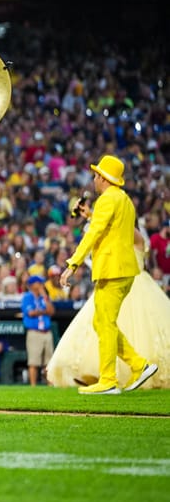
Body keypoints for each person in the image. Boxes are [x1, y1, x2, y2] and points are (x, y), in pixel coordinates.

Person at [59, 155, 159, 394]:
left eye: (96, 175)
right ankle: (138, 365)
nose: (93, 179)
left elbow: (93, 235)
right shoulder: (124, 200)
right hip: (124, 271)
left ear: (103, 178)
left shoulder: (106, 200)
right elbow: (112, 228)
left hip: (111, 270)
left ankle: (109, 380)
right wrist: (89, 215)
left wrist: (72, 264)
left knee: (105, 323)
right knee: (103, 322)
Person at [20, 275, 54, 386]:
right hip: (34, 332)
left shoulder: (43, 297)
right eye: (38, 283)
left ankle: (50, 385)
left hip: (46, 332)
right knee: (33, 362)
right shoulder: (27, 297)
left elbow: (51, 311)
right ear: (32, 285)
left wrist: (44, 296)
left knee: (49, 363)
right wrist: (44, 312)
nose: (41, 285)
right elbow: (31, 313)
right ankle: (33, 386)